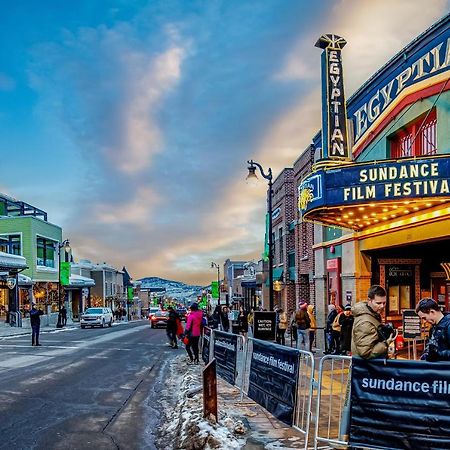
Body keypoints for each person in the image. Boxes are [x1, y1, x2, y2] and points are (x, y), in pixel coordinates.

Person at [351, 285, 394, 359]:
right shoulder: (365, 322)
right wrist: (386, 343)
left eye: (384, 303)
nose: (382, 306)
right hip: (366, 368)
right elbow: (365, 352)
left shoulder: (372, 315)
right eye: (378, 303)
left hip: (369, 367)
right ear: (369, 300)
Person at [416, 298, 450, 362]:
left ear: (432, 312)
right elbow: (430, 345)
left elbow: (435, 352)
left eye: (424, 318)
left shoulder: (448, 326)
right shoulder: (433, 327)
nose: (424, 322)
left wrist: (438, 354)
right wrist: (425, 354)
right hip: (436, 368)